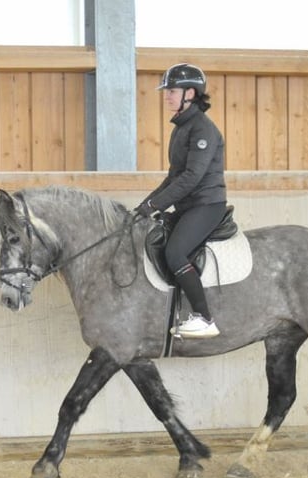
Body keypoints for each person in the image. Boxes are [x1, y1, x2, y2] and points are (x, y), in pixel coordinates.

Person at [135, 63, 227, 339]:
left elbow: (191, 178)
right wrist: (144, 207)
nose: (167, 96)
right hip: (189, 206)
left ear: (190, 93)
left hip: (207, 205)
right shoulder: (181, 128)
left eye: (172, 91)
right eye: (167, 92)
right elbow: (172, 177)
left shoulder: (203, 130)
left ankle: (204, 317)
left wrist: (156, 205)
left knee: (174, 253)